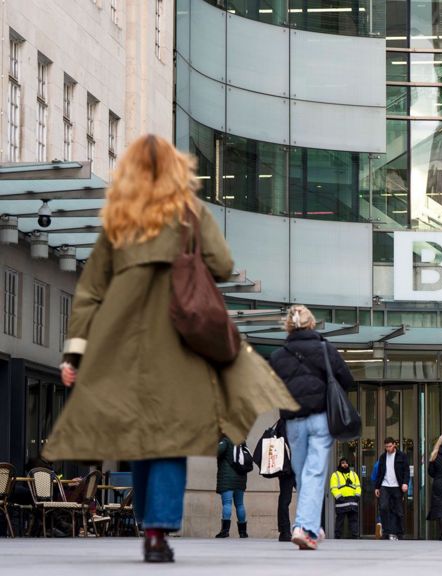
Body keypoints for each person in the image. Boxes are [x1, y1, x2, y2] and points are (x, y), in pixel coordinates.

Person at [43, 135, 296, 563]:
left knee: (141, 437)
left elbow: (90, 291)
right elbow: (222, 264)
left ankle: (149, 522)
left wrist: (74, 354)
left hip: (123, 343)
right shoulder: (188, 213)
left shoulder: (117, 220)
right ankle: (158, 530)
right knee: (169, 437)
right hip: (179, 343)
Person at [270, 304, 356, 550]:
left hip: (293, 421)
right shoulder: (325, 349)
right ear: (311, 323)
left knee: (302, 473)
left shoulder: (278, 356)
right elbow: (347, 380)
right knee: (314, 473)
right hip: (320, 417)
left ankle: (307, 525)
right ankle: (305, 527)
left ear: (288, 326)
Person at [374, 437, 409, 541]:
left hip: (397, 486)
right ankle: (386, 532)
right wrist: (377, 487)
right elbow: (379, 473)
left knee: (398, 510)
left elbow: (406, 471)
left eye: (389, 446)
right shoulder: (383, 457)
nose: (388, 448)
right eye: (386, 447)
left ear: (394, 445)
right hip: (385, 485)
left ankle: (399, 532)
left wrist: (405, 483)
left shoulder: (402, 456)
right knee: (383, 507)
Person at [215, 436, 248, 538]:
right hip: (240, 478)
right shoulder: (242, 440)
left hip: (227, 478)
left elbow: (217, 451)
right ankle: (243, 532)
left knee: (227, 503)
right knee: (240, 504)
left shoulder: (225, 440)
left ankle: (225, 531)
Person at [330, 457, 361, 539]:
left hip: (352, 501)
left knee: (353, 520)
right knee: (340, 521)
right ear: (340, 464)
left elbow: (358, 486)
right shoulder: (335, 475)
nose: (345, 464)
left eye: (346, 463)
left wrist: (357, 496)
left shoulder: (354, 474)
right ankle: (337, 536)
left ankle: (355, 536)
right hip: (341, 501)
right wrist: (340, 497)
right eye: (343, 463)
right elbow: (333, 488)